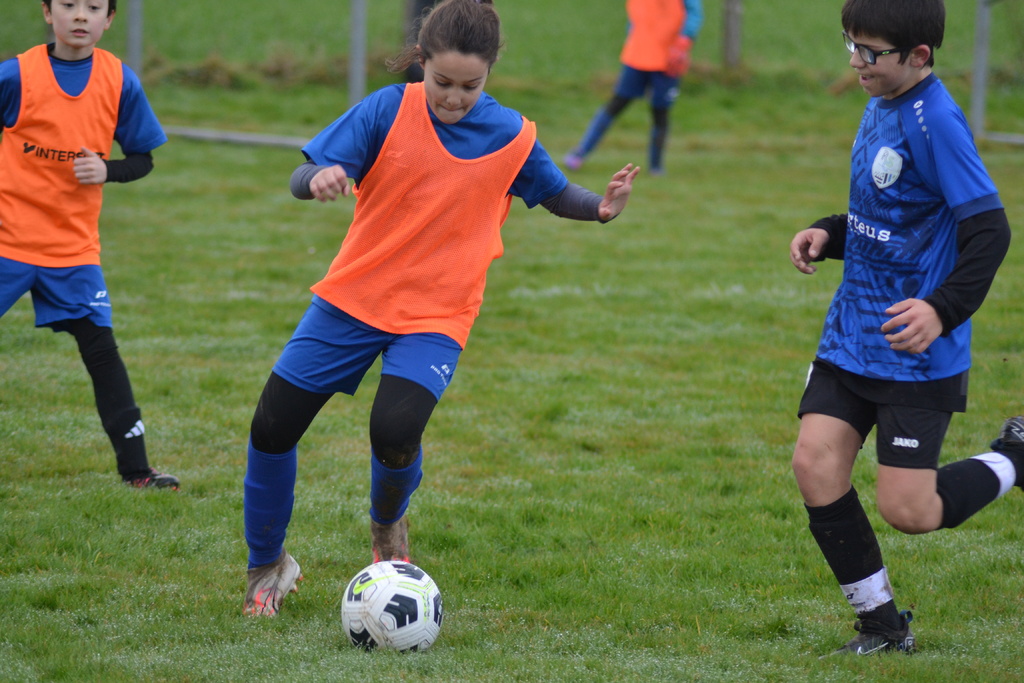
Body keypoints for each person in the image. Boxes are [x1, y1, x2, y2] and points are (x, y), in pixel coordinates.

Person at [242, 0, 640, 617]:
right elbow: (308, 171)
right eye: (442, 82)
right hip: (353, 297)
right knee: (272, 428)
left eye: (469, 87)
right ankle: (267, 566)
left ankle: (387, 526)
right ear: (421, 61)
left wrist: (602, 207)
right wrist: (317, 178)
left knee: (395, 433)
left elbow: (554, 191)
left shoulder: (512, 135)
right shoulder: (386, 109)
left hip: (437, 313)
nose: (454, 98)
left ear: (490, 72)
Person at [789, 0, 1017, 657]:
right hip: (852, 331)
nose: (855, 62)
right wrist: (829, 232)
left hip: (914, 351)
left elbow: (989, 230)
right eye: (850, 44)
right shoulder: (881, 99)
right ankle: (882, 626)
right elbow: (894, 214)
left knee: (909, 511)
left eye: (870, 51)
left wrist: (940, 309)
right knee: (814, 463)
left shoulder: (935, 120)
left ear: (919, 55)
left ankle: (1015, 455)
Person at [0, 0, 177, 489]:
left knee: (102, 351)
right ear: (47, 13)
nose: (81, 15)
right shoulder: (15, 76)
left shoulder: (120, 81)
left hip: (73, 251)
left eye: (94, 7)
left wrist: (107, 170)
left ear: (109, 19)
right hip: (7, 242)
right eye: (69, 5)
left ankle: (137, 472)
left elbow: (142, 159)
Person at [563, 0, 703, 176]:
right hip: (638, 55)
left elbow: (694, 14)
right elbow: (636, 15)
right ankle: (580, 153)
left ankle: (656, 167)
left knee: (660, 112)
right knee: (616, 103)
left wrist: (683, 42)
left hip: (668, 59)